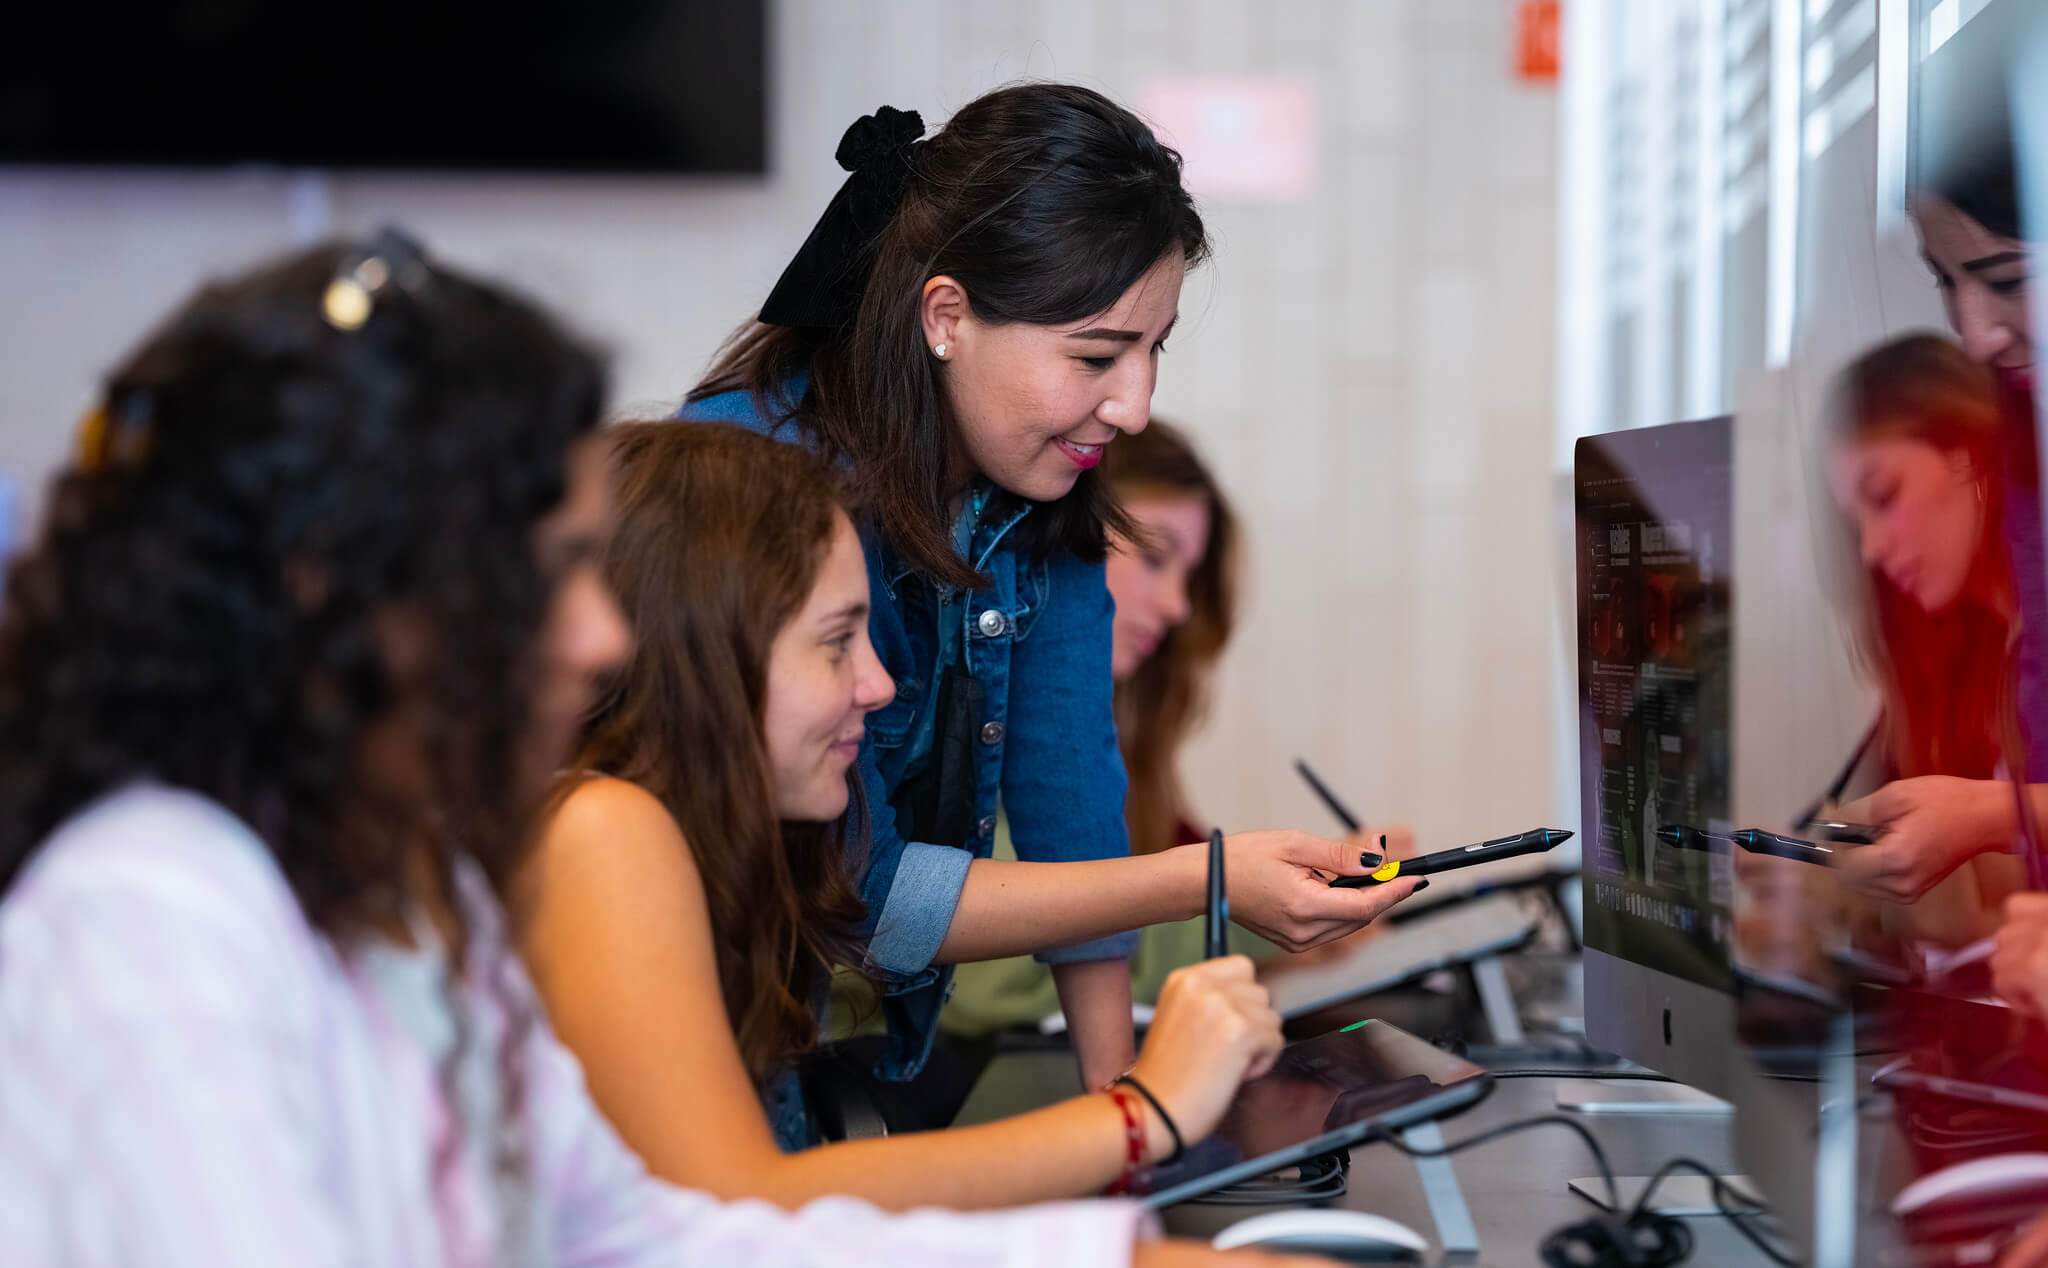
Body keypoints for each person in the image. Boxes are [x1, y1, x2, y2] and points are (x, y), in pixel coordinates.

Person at [0, 237, 1308, 1268]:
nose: (599, 632)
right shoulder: (154, 914)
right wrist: (1136, 1117)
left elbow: (665, 1233)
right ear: (341, 592)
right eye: (555, 569)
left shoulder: (413, 893)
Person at [683, 85, 1420, 1107]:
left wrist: (1128, 1111)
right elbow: (864, 894)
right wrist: (1205, 880)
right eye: (1096, 356)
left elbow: (1072, 808)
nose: (1135, 406)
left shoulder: (1041, 491)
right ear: (946, 317)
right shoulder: (762, 487)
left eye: (1154, 350)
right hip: (685, 1052)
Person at [523, 421, 1287, 1208]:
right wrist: (1144, 1115)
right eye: (837, 642)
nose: (880, 685)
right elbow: (748, 1203)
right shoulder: (602, 829)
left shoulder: (716, 853)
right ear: (707, 657)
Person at [938, 419, 1413, 1041]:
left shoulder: (1116, 734)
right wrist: (1251, 922)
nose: (1177, 605)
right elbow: (998, 982)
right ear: (1055, 537)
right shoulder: (965, 706)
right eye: (1155, 558)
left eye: (1187, 575)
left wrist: (1302, 895)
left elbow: (1140, 881)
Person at [1823, 334, 2029, 944]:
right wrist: (1817, 881)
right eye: (1855, 520)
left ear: (1970, 454)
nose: (1870, 548)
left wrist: (1984, 817)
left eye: (1884, 496)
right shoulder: (1960, 655)